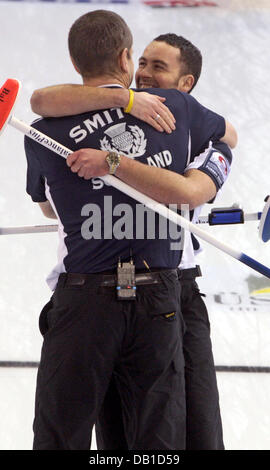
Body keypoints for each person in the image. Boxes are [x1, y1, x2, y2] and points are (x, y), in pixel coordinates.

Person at [25, 10, 234, 450]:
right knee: (145, 436)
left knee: (76, 433)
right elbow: (40, 100)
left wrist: (113, 167)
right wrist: (126, 102)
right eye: (142, 62)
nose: (144, 72)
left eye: (159, 66)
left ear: (186, 82)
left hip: (161, 290)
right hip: (139, 294)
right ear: (125, 58)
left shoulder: (44, 132)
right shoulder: (171, 108)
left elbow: (47, 205)